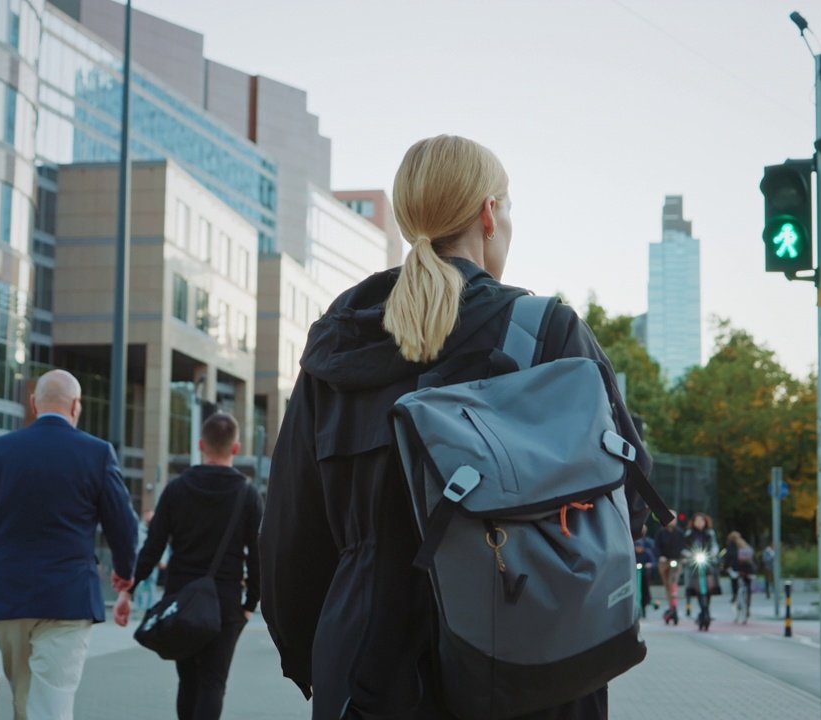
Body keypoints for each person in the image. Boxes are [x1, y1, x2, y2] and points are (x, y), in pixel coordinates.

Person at [260, 135, 652, 720]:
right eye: (509, 207)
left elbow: (290, 536)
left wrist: (314, 657)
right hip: (529, 671)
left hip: (368, 674)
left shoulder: (338, 344)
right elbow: (628, 499)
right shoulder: (547, 332)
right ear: (488, 214)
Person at [0, 370, 139, 720]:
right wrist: (126, 576)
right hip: (67, 600)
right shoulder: (97, 453)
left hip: (8, 601)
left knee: (24, 702)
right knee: (49, 705)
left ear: (34, 404)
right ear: (76, 405)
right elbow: (124, 525)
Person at [117, 412, 262, 720]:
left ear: (201, 445)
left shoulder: (176, 489)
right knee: (213, 683)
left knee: (189, 681)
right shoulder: (247, 495)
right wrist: (250, 603)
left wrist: (128, 591)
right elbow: (257, 555)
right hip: (225, 604)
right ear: (235, 448)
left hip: (181, 600)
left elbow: (153, 548)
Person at [654, 519, 685, 604]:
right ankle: (671, 605)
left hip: (676, 561)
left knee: (673, 582)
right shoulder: (660, 532)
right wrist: (660, 557)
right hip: (664, 562)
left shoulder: (680, 532)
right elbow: (657, 546)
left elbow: (684, 546)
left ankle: (674, 604)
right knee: (667, 584)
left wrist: (683, 557)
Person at [634, 539, 655, 616]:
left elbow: (652, 562)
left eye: (640, 547)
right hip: (635, 575)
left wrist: (649, 565)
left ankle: (644, 607)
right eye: (637, 547)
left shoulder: (646, 554)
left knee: (645, 591)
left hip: (644, 574)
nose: (639, 548)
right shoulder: (633, 554)